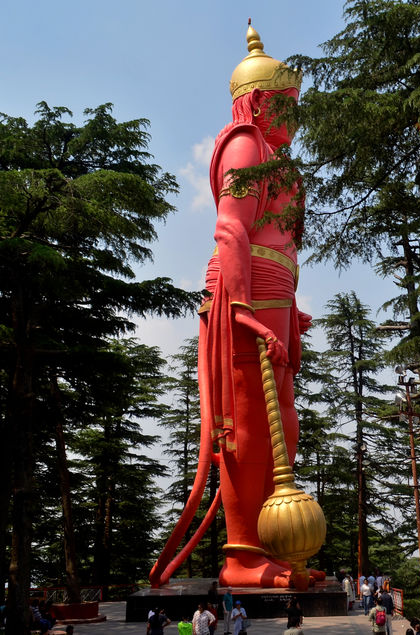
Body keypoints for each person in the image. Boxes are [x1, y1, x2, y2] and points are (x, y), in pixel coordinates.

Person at [149, 22, 315, 589]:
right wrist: (242, 307)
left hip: (276, 302)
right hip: (243, 302)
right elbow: (231, 229)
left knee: (283, 429)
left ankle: (280, 548)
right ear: (260, 102)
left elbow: (281, 243)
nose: (294, 117)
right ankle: (243, 556)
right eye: (286, 105)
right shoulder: (246, 144)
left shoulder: (281, 160)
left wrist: (291, 311)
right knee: (246, 425)